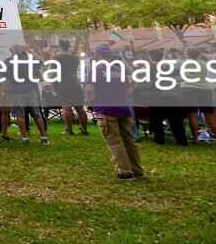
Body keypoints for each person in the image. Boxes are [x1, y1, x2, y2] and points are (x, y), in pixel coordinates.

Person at [86, 44, 145, 180]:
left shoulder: (95, 70)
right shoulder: (118, 70)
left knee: (114, 140)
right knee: (129, 140)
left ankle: (125, 171)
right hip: (123, 107)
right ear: (110, 55)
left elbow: (89, 88)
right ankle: (137, 170)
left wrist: (89, 100)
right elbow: (129, 90)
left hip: (106, 109)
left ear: (96, 55)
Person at [7, 43, 49, 144]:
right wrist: (31, 51)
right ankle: (43, 137)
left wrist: (5, 91)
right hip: (30, 89)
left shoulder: (8, 62)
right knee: (37, 114)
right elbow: (41, 62)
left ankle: (24, 138)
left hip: (16, 90)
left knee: (20, 115)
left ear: (11, 51)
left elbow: (6, 78)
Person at [50, 39, 87, 135]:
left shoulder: (56, 58)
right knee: (80, 108)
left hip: (63, 84)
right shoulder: (75, 58)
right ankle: (84, 129)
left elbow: (53, 73)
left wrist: (53, 85)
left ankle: (69, 130)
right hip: (75, 84)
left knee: (66, 107)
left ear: (60, 46)